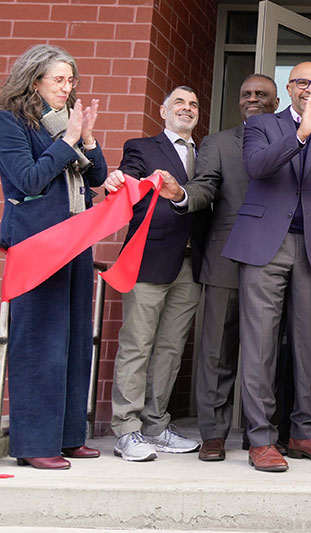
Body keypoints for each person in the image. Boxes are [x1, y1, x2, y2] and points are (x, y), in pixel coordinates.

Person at [221, 61, 311, 472]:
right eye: (302, 82)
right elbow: (258, 167)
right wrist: (301, 135)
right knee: (260, 344)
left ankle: (304, 431)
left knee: (309, 343)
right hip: (266, 244)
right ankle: (261, 438)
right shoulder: (264, 125)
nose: (310, 88)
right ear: (290, 87)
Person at [158, 74, 280, 461]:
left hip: (276, 257)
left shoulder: (291, 140)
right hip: (226, 255)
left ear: (276, 103)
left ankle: (261, 434)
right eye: (246, 94)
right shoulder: (218, 143)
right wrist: (182, 195)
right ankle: (213, 434)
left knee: (267, 351)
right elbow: (206, 186)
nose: (253, 100)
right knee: (216, 351)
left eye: (262, 95)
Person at [0, 44, 107, 469]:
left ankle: (67, 436)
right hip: (37, 244)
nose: (68, 87)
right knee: (39, 344)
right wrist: (67, 139)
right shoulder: (10, 123)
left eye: (71, 80)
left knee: (75, 342)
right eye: (59, 79)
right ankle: (33, 443)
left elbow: (96, 176)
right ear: (34, 81)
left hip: (75, 241)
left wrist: (90, 138)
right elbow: (27, 180)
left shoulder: (67, 122)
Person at [104, 86, 209, 462]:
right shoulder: (142, 147)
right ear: (164, 110)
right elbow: (128, 182)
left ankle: (155, 424)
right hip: (150, 258)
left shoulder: (206, 152)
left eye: (194, 104)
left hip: (192, 263)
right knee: (138, 344)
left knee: (170, 348)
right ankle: (127, 429)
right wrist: (116, 181)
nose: (187, 109)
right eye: (179, 102)